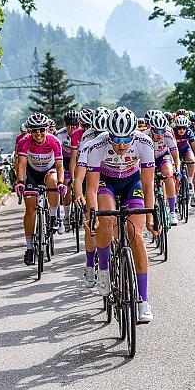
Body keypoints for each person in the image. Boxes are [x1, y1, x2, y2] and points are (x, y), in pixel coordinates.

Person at [85, 106, 157, 323]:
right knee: (105, 219)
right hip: (106, 182)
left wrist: (151, 216)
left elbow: (148, 185)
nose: (121, 145)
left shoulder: (144, 143)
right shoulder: (97, 145)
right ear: (109, 135)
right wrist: (92, 216)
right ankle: (104, 271)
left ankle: (143, 301)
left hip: (131, 181)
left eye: (126, 139)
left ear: (134, 134)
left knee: (136, 233)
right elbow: (91, 188)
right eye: (116, 139)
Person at [14, 113, 67, 265]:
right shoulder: (24, 142)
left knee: (53, 180)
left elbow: (59, 166)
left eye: (42, 129)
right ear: (29, 130)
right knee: (30, 209)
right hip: (31, 174)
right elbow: (22, 164)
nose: (38, 134)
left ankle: (53, 216)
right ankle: (30, 248)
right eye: (35, 130)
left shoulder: (54, 141)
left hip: (48, 171)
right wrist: (20, 182)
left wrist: (61, 182)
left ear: (46, 129)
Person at [72, 107, 110, 287]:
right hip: (91, 178)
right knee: (91, 224)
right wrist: (78, 193)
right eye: (98, 133)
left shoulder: (115, 139)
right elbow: (79, 175)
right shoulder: (87, 140)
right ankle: (89, 264)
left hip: (110, 178)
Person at [145, 111, 181, 225]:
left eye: (162, 130)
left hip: (163, 156)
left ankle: (172, 212)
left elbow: (176, 155)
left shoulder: (168, 135)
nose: (160, 134)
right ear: (151, 128)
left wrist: (178, 170)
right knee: (146, 182)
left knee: (168, 175)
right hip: (148, 158)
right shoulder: (145, 136)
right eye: (157, 131)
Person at [56, 110, 80, 233]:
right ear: (65, 124)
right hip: (65, 160)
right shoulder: (59, 135)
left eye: (75, 124)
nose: (72, 128)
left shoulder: (83, 133)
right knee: (67, 184)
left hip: (79, 159)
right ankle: (66, 215)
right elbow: (57, 156)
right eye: (69, 124)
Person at [172, 114, 195, 207]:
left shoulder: (189, 132)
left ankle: (189, 181)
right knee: (174, 169)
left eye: (184, 128)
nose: (182, 130)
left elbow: (194, 146)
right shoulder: (173, 132)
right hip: (174, 150)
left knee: (192, 161)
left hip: (185, 149)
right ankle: (175, 195)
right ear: (176, 127)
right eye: (180, 128)